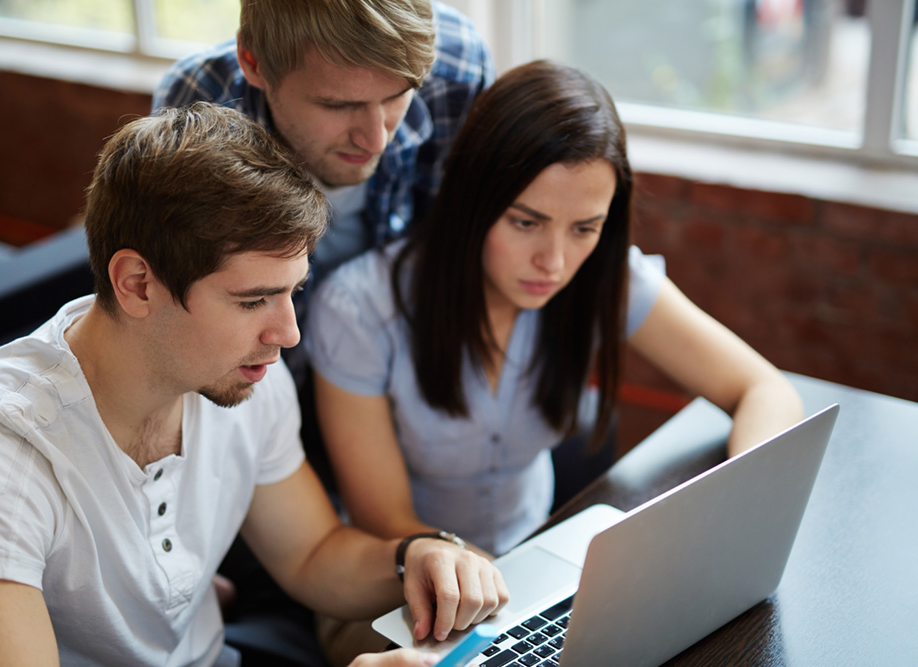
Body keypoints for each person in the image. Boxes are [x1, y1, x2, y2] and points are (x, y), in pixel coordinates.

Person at [0, 103, 507, 667]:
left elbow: (311, 556)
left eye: (292, 291)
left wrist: (415, 556)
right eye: (253, 300)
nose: (289, 334)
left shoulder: (241, 375)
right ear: (138, 284)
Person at [305, 61, 805, 560]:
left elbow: (765, 388)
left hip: (538, 559)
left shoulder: (605, 277)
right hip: (401, 583)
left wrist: (747, 501)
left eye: (585, 228)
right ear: (472, 201)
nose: (555, 262)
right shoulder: (360, 309)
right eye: (526, 223)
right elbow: (386, 522)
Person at [152, 0, 494, 293]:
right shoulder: (197, 109)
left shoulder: (456, 68)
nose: (376, 140)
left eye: (397, 96)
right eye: (338, 105)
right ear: (254, 61)